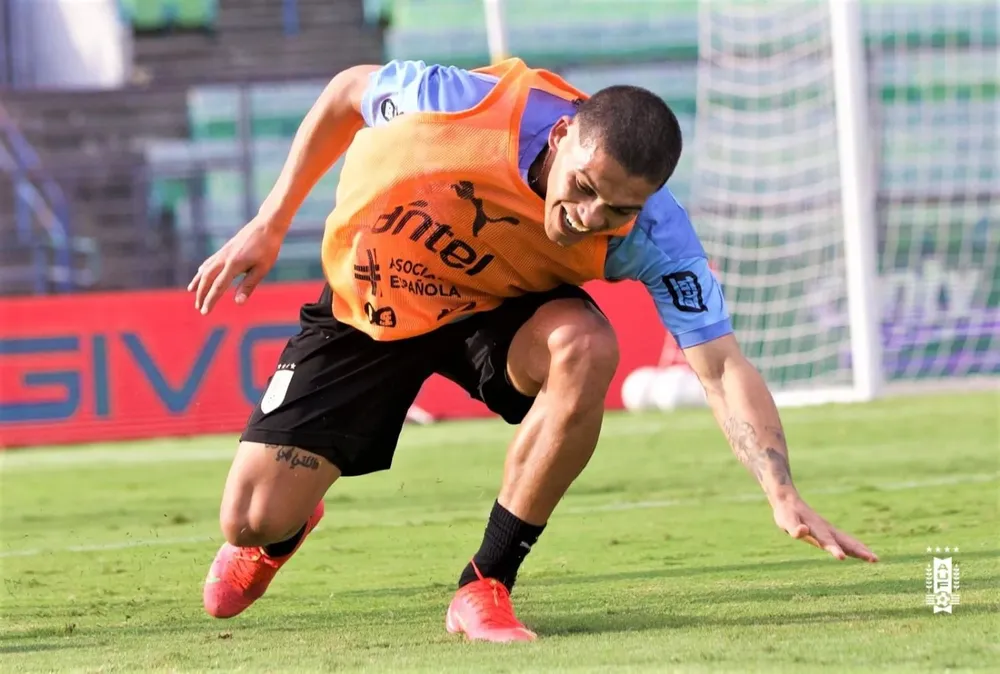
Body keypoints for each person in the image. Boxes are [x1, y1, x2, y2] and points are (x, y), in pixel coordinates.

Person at [189, 58, 878, 643]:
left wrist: (781, 492)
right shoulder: (457, 103)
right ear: (562, 135)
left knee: (588, 344)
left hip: (500, 311)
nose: (587, 219)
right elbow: (347, 92)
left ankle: (486, 582)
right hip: (372, 294)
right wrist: (270, 222)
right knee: (248, 520)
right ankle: (285, 531)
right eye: (582, 188)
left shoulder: (658, 236)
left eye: (617, 210)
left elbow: (722, 367)